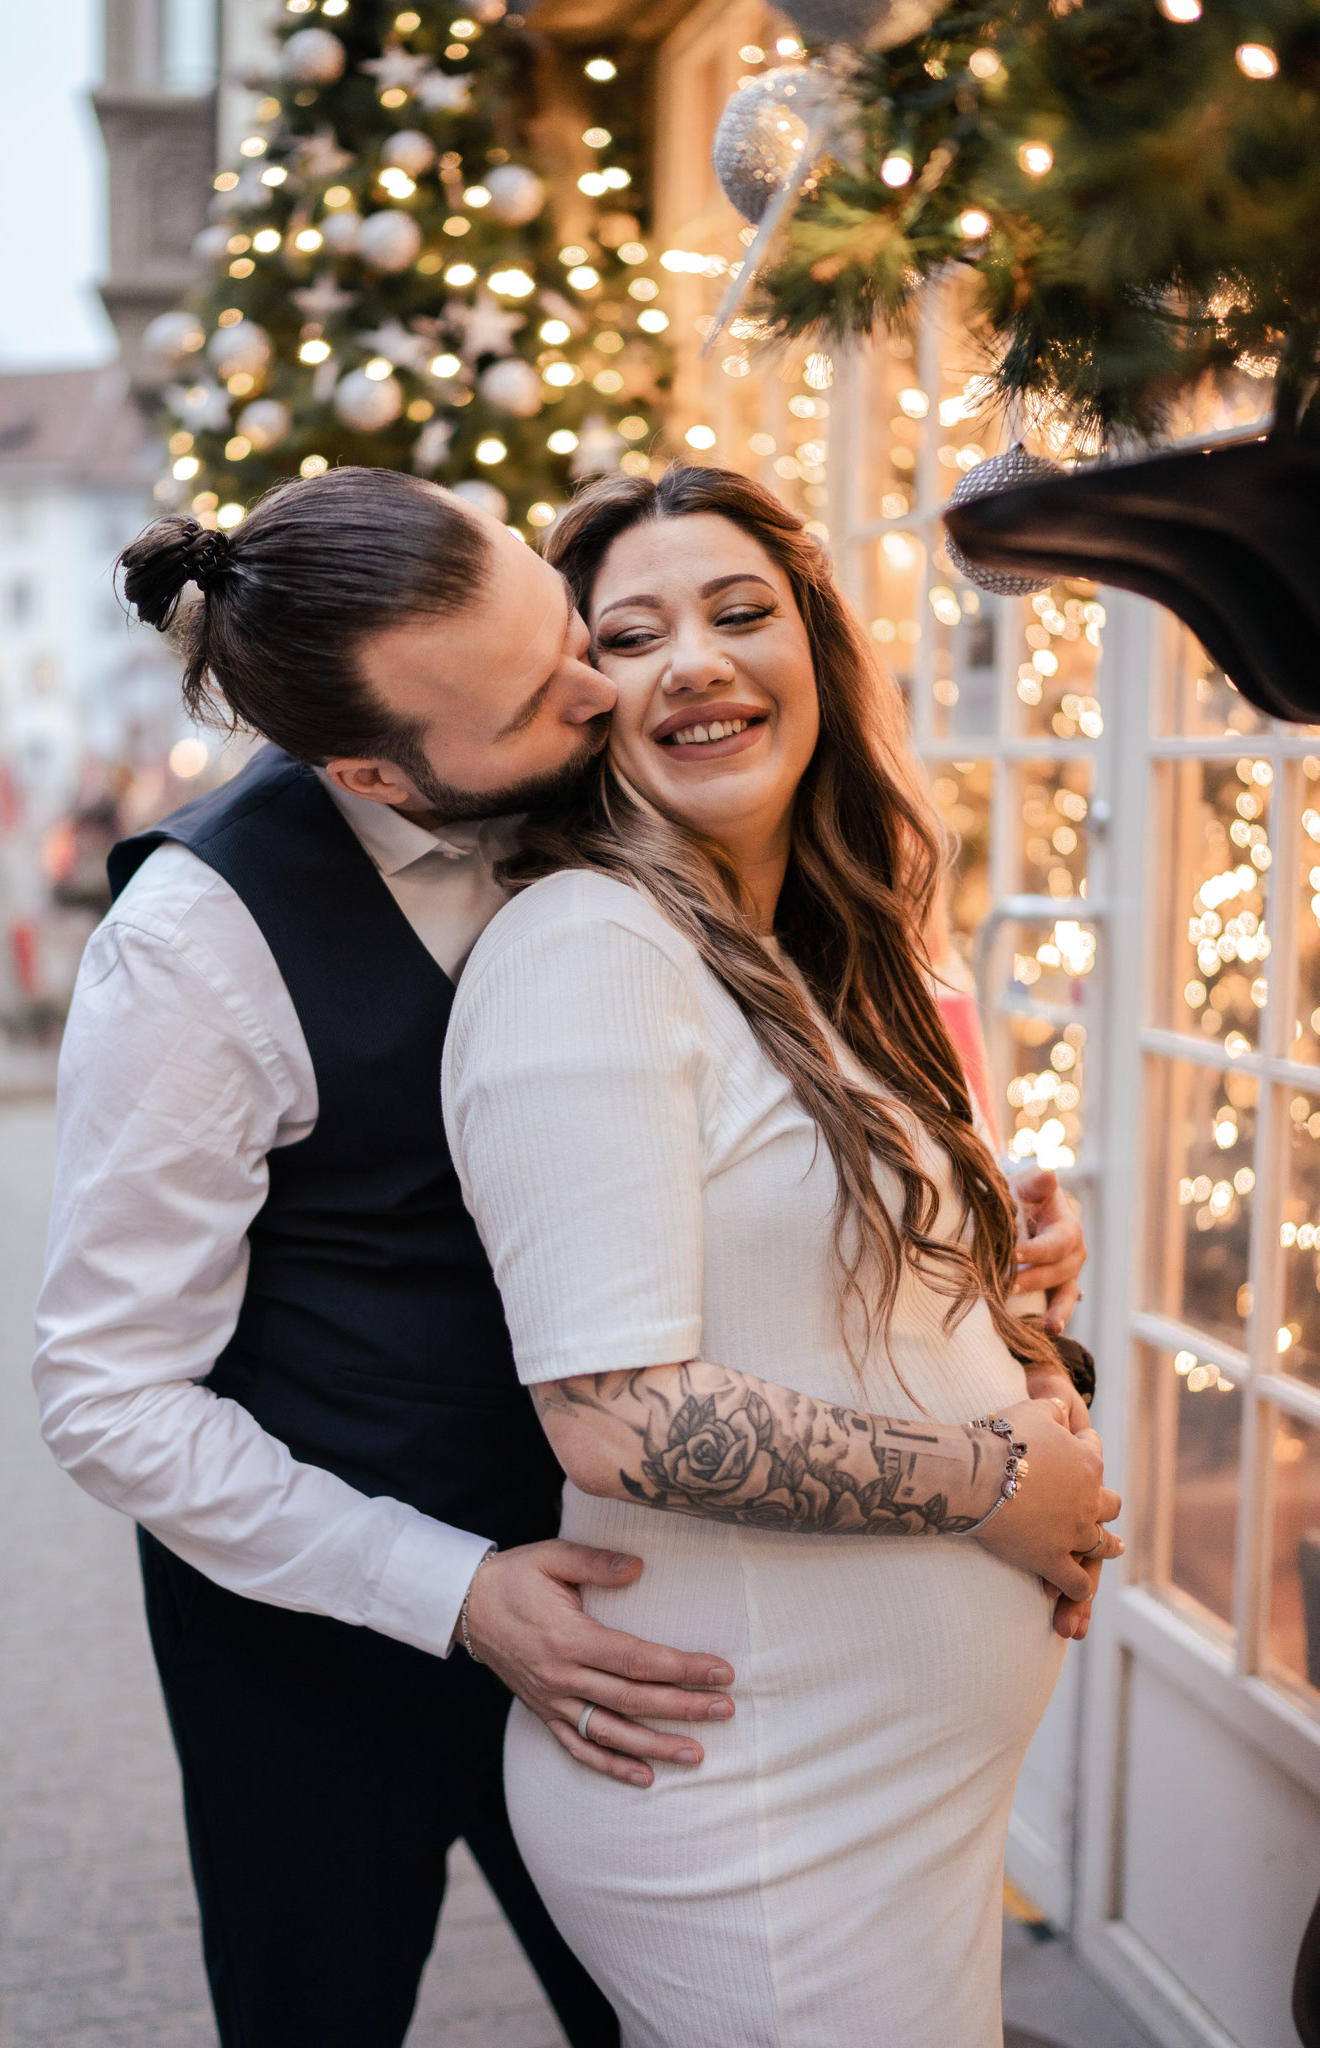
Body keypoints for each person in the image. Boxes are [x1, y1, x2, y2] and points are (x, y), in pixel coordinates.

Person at [33, 466, 1092, 2048]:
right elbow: (106, 1396)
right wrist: (453, 1592)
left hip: (655, 1604)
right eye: (545, 696)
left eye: (568, 628)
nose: (609, 689)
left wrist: (968, 1235)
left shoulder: (635, 813)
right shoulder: (196, 949)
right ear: (377, 775)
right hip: (329, 1635)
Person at [440, 464, 1123, 2048]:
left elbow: (827, 1284)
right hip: (758, 1817)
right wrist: (995, 1484)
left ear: (813, 647)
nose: (695, 659)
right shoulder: (586, 952)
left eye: (741, 612)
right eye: (633, 634)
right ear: (576, 700)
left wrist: (1005, 1295)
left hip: (889, 1802)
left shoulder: (818, 952)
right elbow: (617, 1414)